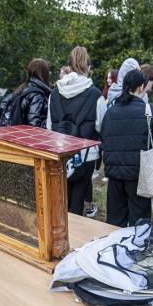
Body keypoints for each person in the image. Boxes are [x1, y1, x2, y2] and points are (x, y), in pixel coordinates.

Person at [101, 69, 153, 227]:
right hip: (140, 174)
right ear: (141, 87)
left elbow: (104, 137)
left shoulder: (111, 112)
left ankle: (114, 249)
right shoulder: (150, 111)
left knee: (114, 221)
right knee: (139, 221)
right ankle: (136, 250)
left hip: (114, 173)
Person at [47, 46, 106, 216]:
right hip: (86, 155)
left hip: (61, 153)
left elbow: (50, 126)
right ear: (88, 68)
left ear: (70, 67)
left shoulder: (54, 93)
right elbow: (101, 126)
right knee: (78, 200)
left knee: (61, 199)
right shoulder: (96, 95)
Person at [6, 58, 52, 128]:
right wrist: (50, 124)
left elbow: (2, 105)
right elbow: (34, 124)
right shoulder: (37, 94)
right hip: (31, 136)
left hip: (17, 132)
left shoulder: (22, 88)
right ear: (45, 73)